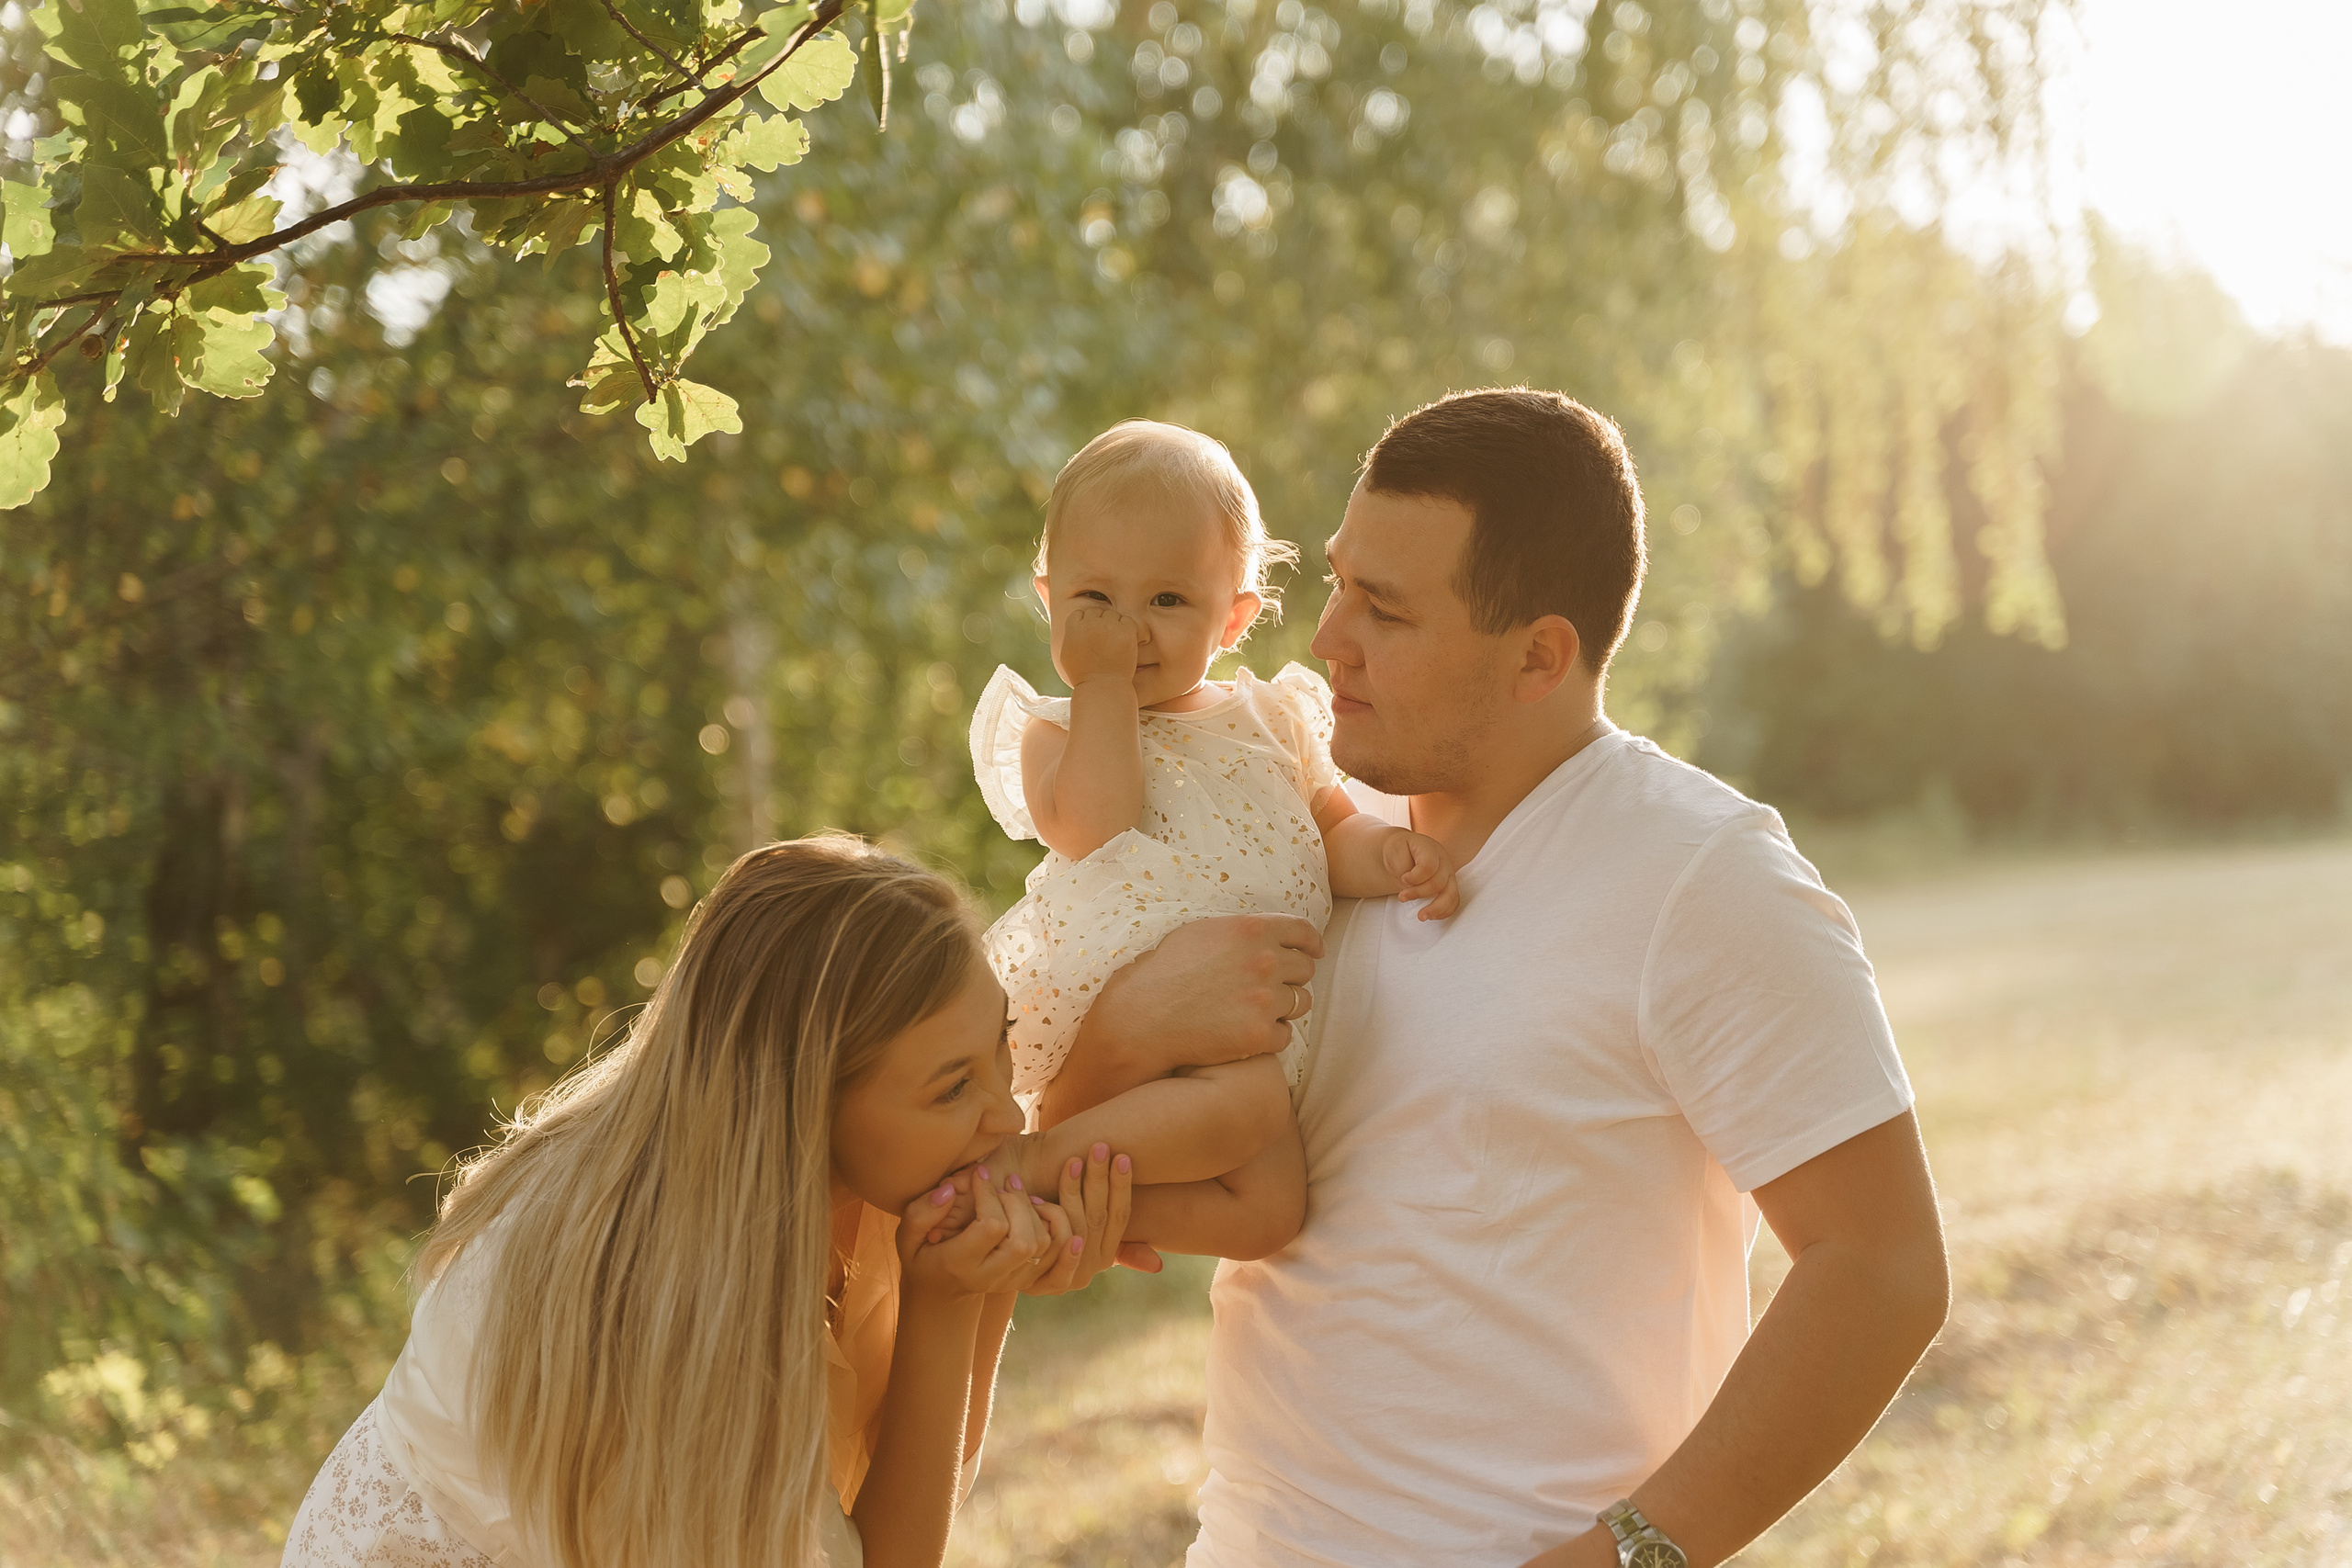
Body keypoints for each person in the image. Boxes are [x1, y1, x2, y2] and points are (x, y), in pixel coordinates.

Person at [1073, 389, 1951, 1567]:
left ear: (1539, 653)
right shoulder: (1291, 825)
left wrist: (1633, 1553)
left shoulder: (1704, 878)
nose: (1327, 638)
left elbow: (1882, 1269)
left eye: (1383, 610)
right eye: (1337, 581)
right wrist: (1118, 1041)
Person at [279, 836, 1136, 1568]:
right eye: (953, 1088)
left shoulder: (846, 1189)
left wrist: (983, 1287)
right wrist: (950, 1307)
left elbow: (897, 1507)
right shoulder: (658, 1296)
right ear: (805, 1102)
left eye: (1000, 1049)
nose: (1009, 1113)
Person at [968, 419, 1457, 1262]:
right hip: (1128, 998)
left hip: (1245, 1027)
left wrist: (1387, 856)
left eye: (1166, 600)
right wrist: (1104, 692)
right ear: (1049, 599)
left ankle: (1085, 1210)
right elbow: (1099, 824)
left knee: (1269, 1211)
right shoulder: (1060, 730)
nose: (1128, 630)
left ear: (1232, 620)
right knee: (1249, 1112)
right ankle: (1033, 1159)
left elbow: (1327, 832)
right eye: (1097, 602)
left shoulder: (1272, 718)